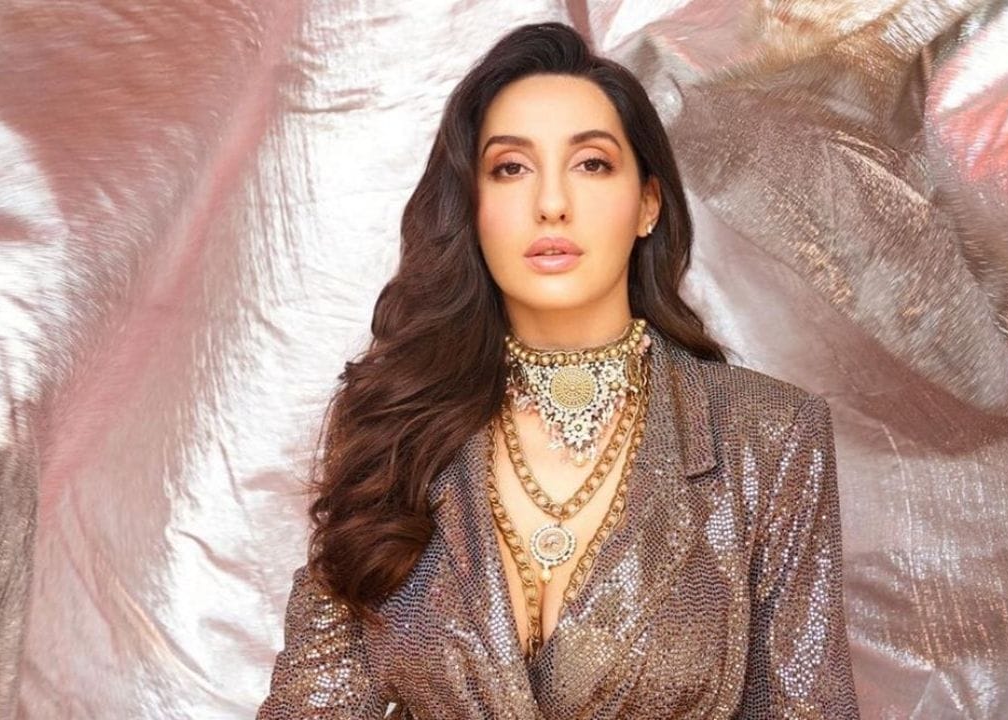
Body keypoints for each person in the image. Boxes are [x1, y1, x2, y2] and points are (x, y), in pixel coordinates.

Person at [257, 21, 859, 720]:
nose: (551, 203)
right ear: (472, 207)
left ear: (648, 204)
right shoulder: (394, 428)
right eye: (511, 168)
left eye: (591, 164)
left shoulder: (770, 437)